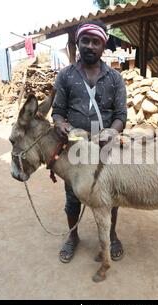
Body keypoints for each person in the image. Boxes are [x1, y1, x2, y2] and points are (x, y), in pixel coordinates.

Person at [50, 20, 127, 263]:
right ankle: (73, 237)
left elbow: (121, 115)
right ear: (78, 42)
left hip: (104, 148)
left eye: (96, 42)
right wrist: (60, 123)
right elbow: (58, 110)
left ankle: (112, 236)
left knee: (109, 196)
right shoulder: (66, 76)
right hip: (74, 148)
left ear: (103, 45)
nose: (90, 46)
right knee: (73, 195)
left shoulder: (115, 78)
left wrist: (112, 132)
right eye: (85, 41)